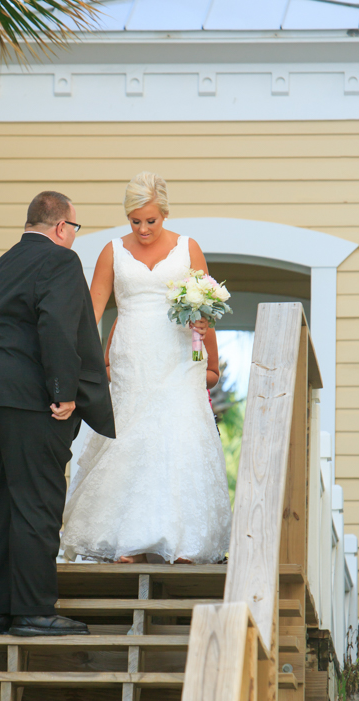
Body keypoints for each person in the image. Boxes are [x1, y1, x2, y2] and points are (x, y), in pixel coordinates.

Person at [0, 191, 115, 636]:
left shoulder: (4, 264)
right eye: (75, 229)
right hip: (29, 400)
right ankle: (33, 611)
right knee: (39, 504)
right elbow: (56, 325)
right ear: (62, 227)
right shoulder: (61, 262)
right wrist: (64, 391)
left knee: (9, 502)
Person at [62, 172, 232, 564]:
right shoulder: (111, 251)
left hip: (178, 354)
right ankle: (132, 541)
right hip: (132, 355)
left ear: (165, 214)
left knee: (180, 432)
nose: (142, 229)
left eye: (150, 220)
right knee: (135, 434)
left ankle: (185, 542)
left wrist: (206, 339)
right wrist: (79, 360)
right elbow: (92, 312)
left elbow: (205, 303)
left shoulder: (189, 248)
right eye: (135, 220)